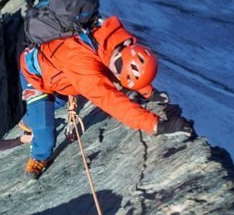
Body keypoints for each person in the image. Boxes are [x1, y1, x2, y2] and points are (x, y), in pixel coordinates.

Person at [19, 14, 197, 179]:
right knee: (44, 131)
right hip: (36, 78)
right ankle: (38, 156)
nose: (117, 76)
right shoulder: (81, 63)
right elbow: (110, 101)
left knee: (55, 103)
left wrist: (148, 92)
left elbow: (129, 67)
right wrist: (157, 125)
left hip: (61, 76)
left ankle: (29, 120)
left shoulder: (115, 38)